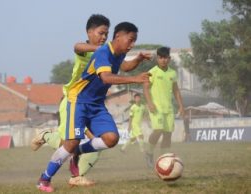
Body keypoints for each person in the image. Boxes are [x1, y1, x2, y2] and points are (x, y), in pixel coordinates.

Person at [36, 21, 152, 193]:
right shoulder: (104, 52)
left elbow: (125, 66)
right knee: (70, 143)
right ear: (118, 36)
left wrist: (138, 58)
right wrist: (137, 79)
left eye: (134, 41)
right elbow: (106, 77)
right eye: (131, 40)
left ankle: (78, 152)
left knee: (111, 139)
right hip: (79, 101)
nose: (133, 44)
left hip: (96, 104)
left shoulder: (118, 53)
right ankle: (44, 180)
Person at [31, 14, 110, 187]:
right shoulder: (85, 51)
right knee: (68, 144)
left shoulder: (104, 56)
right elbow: (77, 46)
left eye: (106, 34)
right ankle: (46, 136)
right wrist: (99, 49)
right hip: (73, 101)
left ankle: (76, 175)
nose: (104, 37)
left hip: (90, 104)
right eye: (101, 33)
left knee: (97, 141)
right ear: (89, 32)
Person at [143, 46, 184, 168]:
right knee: (158, 130)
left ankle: (162, 160)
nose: (163, 60)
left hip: (169, 108)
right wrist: (150, 103)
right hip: (156, 107)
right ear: (157, 59)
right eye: (161, 58)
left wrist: (181, 106)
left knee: (167, 134)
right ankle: (149, 153)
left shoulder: (172, 73)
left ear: (169, 59)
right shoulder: (152, 72)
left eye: (165, 57)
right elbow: (145, 88)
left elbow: (176, 90)